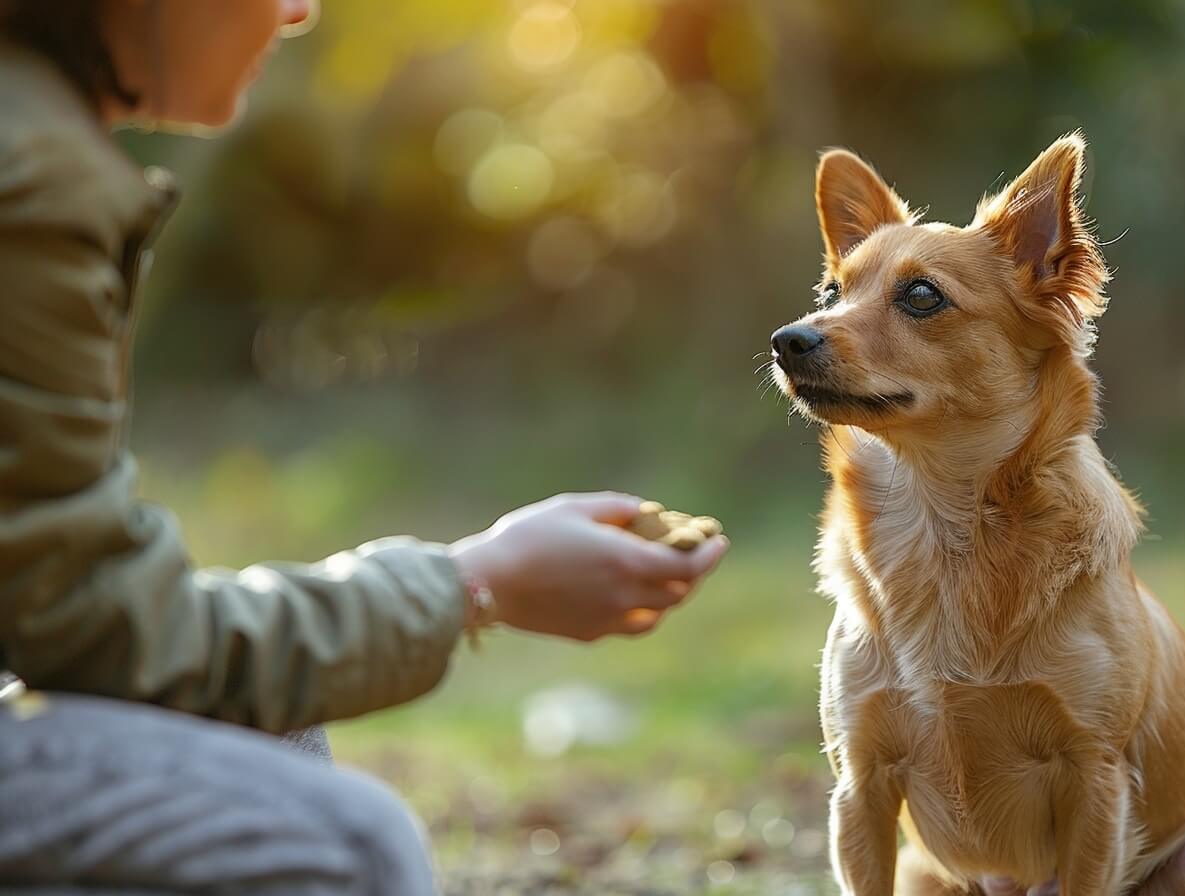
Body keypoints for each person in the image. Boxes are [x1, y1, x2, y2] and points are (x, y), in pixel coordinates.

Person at [0, 1, 729, 892]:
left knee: (276, 732)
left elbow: (66, 605)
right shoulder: (33, 171)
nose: (303, 10)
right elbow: (98, 636)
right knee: (350, 844)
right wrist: (475, 583)